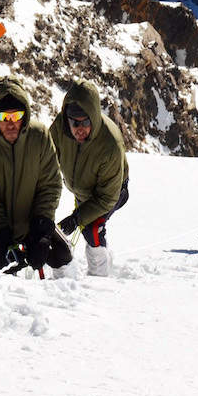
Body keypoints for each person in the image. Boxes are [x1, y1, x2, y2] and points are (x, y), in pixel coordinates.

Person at [0, 75, 72, 275]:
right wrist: (0, 233)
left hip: (32, 222)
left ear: (25, 115)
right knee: (3, 273)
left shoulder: (40, 137)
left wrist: (42, 226)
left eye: (16, 116)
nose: (11, 123)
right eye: (3, 117)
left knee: (62, 256)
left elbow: (50, 185)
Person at [51, 80, 129, 277]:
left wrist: (77, 218)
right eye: (74, 122)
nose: (79, 128)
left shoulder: (110, 144)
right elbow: (45, 158)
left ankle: (99, 276)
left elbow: (106, 198)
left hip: (112, 190)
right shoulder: (60, 128)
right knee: (84, 225)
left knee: (92, 228)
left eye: (85, 121)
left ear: (93, 118)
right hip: (82, 188)